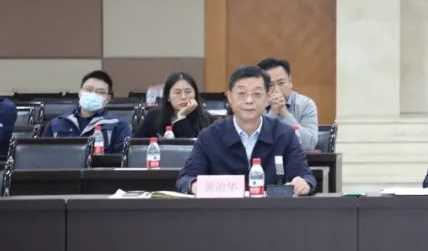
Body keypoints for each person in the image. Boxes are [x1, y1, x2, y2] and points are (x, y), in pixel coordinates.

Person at [176, 65, 314, 195]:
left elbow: (305, 175)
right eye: (241, 93)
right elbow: (186, 179)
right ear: (230, 97)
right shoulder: (209, 136)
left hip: (270, 210)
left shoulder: (284, 134)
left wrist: (303, 183)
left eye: (257, 94)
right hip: (223, 210)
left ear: (267, 97)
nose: (249, 100)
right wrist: (194, 185)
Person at [42, 70, 131, 153]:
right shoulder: (56, 124)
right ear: (80, 92)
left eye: (100, 92)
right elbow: (43, 156)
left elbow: (121, 160)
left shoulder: (119, 126)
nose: (93, 95)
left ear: (108, 99)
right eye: (89, 90)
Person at [258, 57, 319, 150]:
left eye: (281, 83)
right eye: (270, 85)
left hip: (297, 158)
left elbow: (309, 145)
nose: (277, 90)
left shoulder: (306, 104)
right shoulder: (256, 105)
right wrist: (273, 112)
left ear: (290, 82)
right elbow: (257, 144)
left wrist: (284, 112)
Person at [135, 71, 215, 138]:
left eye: (188, 92)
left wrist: (181, 117)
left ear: (195, 95)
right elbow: (135, 146)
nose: (183, 97)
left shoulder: (206, 119)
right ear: (168, 97)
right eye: (177, 92)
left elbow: (191, 148)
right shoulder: (153, 116)